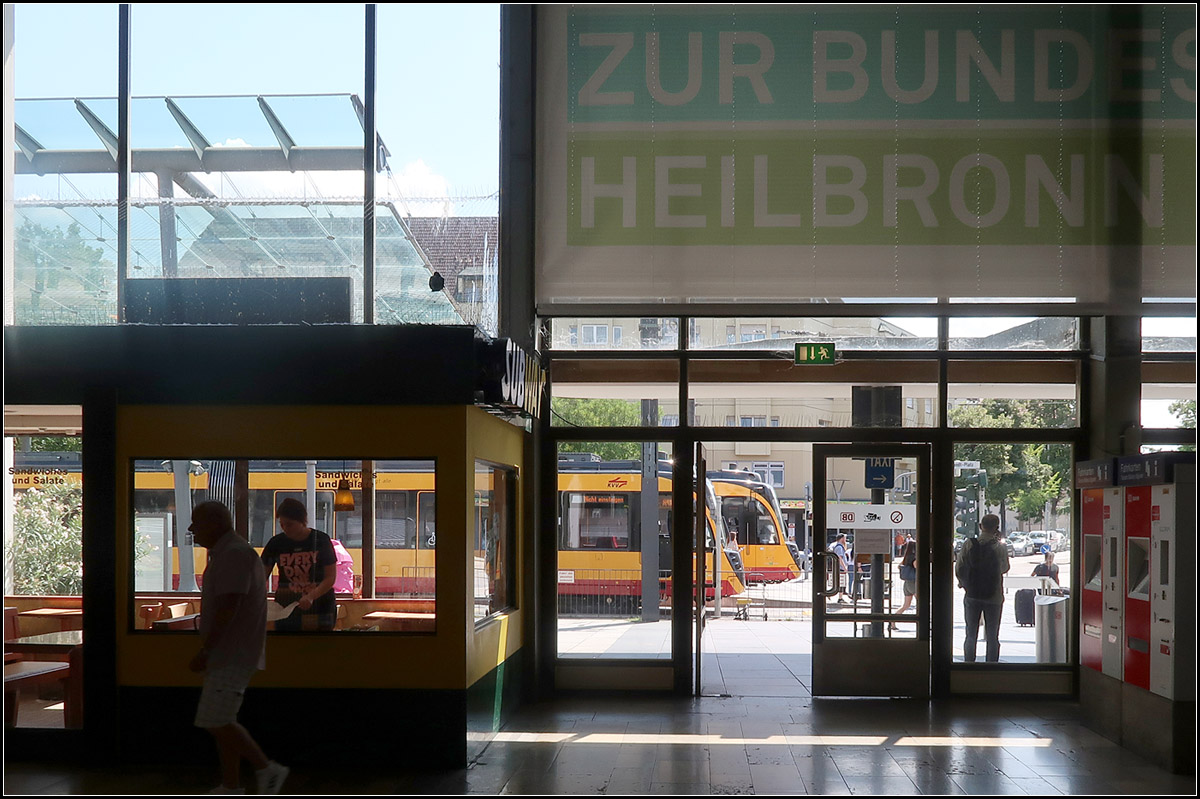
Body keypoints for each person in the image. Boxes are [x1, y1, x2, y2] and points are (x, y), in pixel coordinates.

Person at [188, 501, 289, 795]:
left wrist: (206, 650)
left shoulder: (233, 555)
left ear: (216, 523)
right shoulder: (231, 553)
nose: (192, 529)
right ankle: (230, 786)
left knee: (214, 719)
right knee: (224, 719)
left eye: (197, 523)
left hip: (231, 653)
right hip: (232, 652)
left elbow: (228, 607)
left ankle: (267, 769)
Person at [261, 498, 338, 631]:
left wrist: (311, 596)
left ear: (302, 521)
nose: (285, 529)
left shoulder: (320, 540)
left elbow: (330, 578)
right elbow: (261, 576)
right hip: (285, 608)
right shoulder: (276, 543)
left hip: (320, 606)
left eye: (289, 524)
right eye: (282, 524)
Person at [955, 513, 1010, 662]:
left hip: (972, 594)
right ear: (996, 527)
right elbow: (1004, 568)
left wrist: (965, 584)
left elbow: (959, 567)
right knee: (992, 635)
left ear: (981, 526)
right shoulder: (999, 546)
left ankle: (969, 664)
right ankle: (991, 666)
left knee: (971, 634)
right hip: (994, 596)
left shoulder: (969, 544)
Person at [891, 539, 918, 630]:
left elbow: (899, 566)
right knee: (922, 604)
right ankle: (923, 623)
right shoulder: (914, 558)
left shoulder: (906, 557)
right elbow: (917, 568)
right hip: (914, 583)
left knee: (906, 605)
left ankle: (893, 621)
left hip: (907, 584)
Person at [831, 533, 852, 603]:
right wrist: (844, 568)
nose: (845, 540)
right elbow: (840, 558)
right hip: (840, 568)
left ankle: (837, 596)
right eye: (845, 538)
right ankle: (840, 598)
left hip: (838, 567)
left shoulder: (837, 546)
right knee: (841, 583)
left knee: (840, 582)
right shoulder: (839, 548)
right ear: (842, 539)